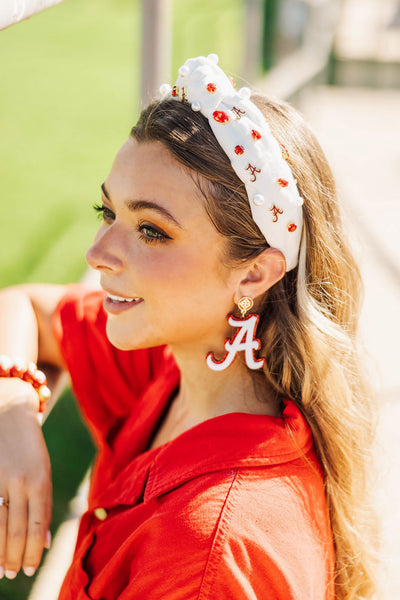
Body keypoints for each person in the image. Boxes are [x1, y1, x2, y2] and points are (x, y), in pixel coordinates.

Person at [0, 54, 377, 599]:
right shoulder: (176, 364)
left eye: (151, 230)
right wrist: (14, 412)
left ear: (254, 274)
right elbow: (20, 309)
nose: (98, 253)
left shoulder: (205, 560)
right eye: (108, 213)